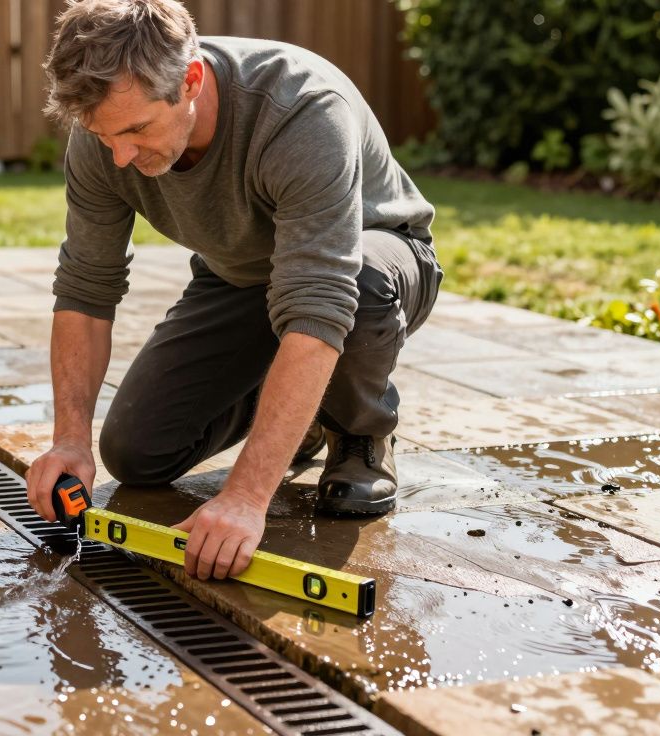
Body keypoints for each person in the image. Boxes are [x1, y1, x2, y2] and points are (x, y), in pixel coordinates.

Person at [24, 0, 443, 582]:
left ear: (190, 81)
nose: (118, 154)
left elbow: (321, 301)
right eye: (103, 135)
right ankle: (304, 411)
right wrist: (69, 441)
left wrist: (247, 496)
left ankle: (359, 433)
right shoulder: (104, 137)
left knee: (360, 284)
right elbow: (85, 289)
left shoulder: (301, 111)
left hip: (375, 259)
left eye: (137, 130)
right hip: (242, 277)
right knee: (138, 453)